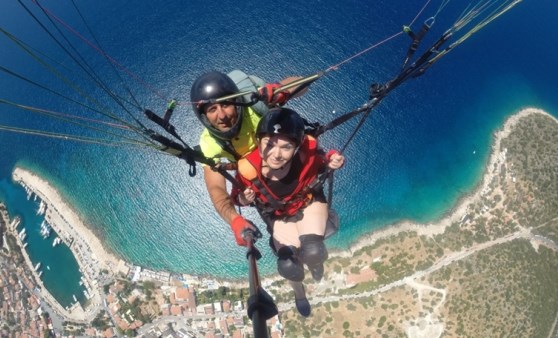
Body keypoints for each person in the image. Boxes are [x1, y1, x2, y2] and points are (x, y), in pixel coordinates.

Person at [230, 107, 345, 317]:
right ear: (259, 142)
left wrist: (333, 159)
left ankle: (314, 263)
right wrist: (242, 199)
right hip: (279, 216)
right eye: (270, 144)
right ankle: (299, 293)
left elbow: (322, 159)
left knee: (312, 251)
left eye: (286, 147)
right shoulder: (248, 169)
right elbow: (236, 196)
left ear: (296, 147)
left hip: (308, 203)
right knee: (289, 266)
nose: (276, 154)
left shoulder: (306, 154)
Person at [190, 70, 305, 227]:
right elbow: (216, 188)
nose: (222, 115)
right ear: (204, 117)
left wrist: (280, 90)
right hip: (260, 179)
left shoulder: (254, 105)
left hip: (284, 160)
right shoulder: (209, 143)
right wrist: (235, 221)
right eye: (212, 110)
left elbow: (302, 83)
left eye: (226, 104)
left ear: (237, 101)